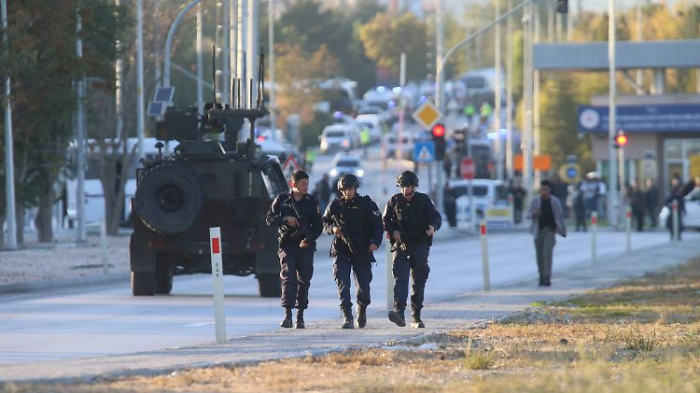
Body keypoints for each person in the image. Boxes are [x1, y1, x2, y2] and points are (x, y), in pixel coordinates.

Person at [322, 174, 383, 329]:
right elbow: (324, 222)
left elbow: (377, 225)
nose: (347, 192)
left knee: (364, 286)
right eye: (344, 189)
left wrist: (375, 243)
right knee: (343, 281)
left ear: (355, 188)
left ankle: (361, 310)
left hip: (362, 249)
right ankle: (347, 316)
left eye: (349, 189)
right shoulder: (335, 205)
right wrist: (333, 228)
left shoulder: (367, 204)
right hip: (341, 248)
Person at [383, 171, 442, 328]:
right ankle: (399, 312)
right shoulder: (394, 201)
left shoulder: (424, 200)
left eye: (407, 187)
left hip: (420, 244)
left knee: (419, 278)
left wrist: (432, 227)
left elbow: (436, 217)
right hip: (401, 245)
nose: (404, 190)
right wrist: (393, 231)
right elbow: (385, 220)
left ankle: (416, 315)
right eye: (402, 187)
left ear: (414, 187)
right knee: (400, 277)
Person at [266, 170, 323, 329]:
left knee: (304, 279)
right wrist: (285, 219)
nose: (306, 186)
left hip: (305, 245)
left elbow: (319, 225)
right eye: (303, 183)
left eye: (307, 183)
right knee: (288, 277)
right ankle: (287, 315)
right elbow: (270, 219)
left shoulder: (312, 201)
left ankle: (300, 316)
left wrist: (309, 239)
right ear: (293, 184)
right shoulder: (282, 199)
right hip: (287, 244)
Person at [527, 179, 567, 287]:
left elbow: (559, 216)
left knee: (547, 254)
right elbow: (528, 215)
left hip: (550, 230)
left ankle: (547, 277)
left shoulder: (555, 201)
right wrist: (534, 214)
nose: (545, 192)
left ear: (550, 190)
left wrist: (563, 229)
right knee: (539, 255)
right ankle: (541, 275)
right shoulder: (535, 201)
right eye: (543, 190)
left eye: (547, 190)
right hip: (538, 231)